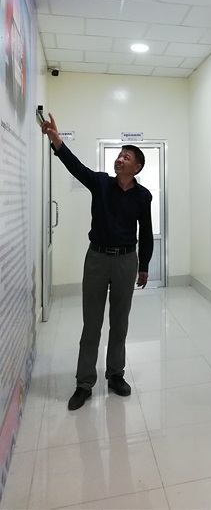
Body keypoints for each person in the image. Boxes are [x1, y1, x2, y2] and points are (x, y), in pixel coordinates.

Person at [41, 113, 153, 411]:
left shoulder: (143, 196)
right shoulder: (101, 183)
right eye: (119, 155)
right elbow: (75, 166)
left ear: (137, 167)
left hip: (126, 261)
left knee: (120, 322)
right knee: (92, 324)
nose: (119, 159)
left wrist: (144, 265)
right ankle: (84, 383)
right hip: (97, 259)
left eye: (126, 157)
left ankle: (115, 375)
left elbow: (146, 232)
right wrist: (57, 141)